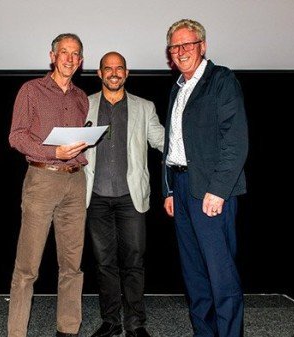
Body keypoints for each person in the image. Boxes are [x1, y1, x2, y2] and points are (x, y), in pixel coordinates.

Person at [161, 19, 249, 337]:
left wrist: (219, 189)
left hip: (211, 190)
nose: (181, 51)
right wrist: (169, 188)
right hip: (183, 188)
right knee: (195, 272)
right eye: (175, 46)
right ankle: (204, 332)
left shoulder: (221, 80)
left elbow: (235, 141)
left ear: (203, 46)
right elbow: (173, 143)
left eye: (188, 44)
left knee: (220, 273)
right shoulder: (178, 87)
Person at [7, 33, 89, 337]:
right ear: (52, 56)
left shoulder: (81, 98)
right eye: (63, 52)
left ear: (80, 61)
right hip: (42, 180)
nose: (69, 58)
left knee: (72, 265)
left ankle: (68, 330)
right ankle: (16, 332)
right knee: (27, 267)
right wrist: (52, 151)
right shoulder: (31, 90)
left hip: (75, 182)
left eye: (75, 54)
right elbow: (16, 136)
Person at [85, 52, 164, 337]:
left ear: (127, 73)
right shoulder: (85, 105)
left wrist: (189, 138)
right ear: (100, 73)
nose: (114, 73)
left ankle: (135, 324)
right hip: (94, 197)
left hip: (132, 198)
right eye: (109, 68)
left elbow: (160, 140)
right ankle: (111, 322)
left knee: (133, 262)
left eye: (119, 68)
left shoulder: (145, 107)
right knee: (104, 263)